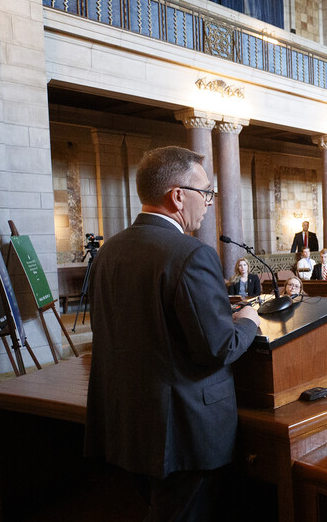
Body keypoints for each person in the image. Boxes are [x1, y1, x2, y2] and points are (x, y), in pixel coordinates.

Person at [85, 146, 260, 520]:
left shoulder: (109, 251)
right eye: (206, 192)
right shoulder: (190, 253)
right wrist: (247, 319)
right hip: (182, 429)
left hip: (127, 420)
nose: (210, 203)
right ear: (178, 195)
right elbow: (219, 348)